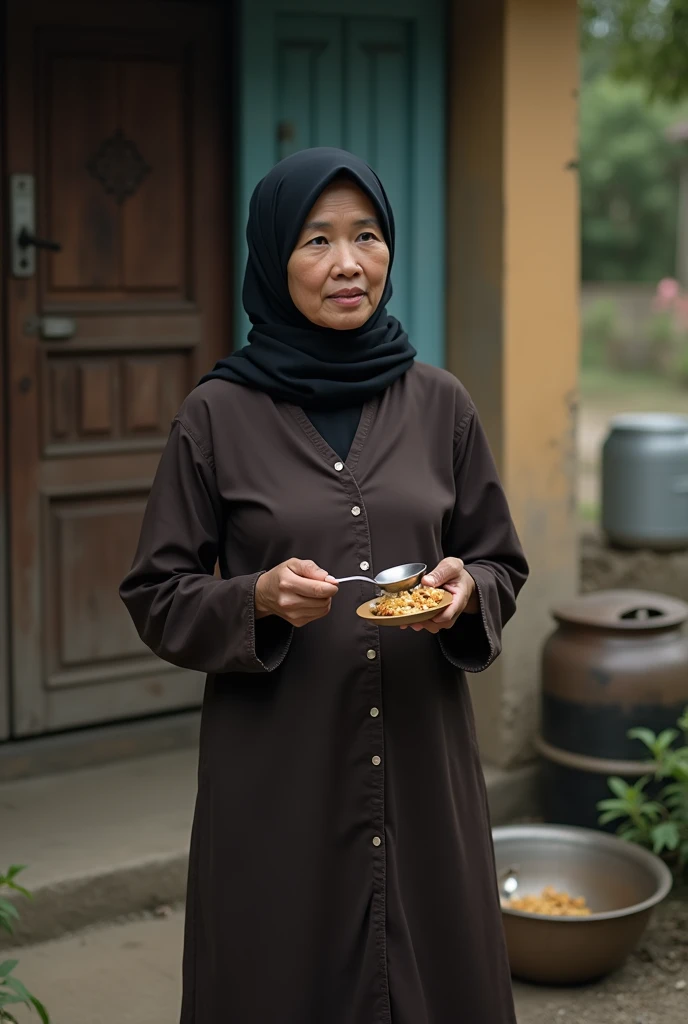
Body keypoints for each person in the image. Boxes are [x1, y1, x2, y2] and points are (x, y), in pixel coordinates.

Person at [120, 147, 529, 1024]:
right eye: (316, 239)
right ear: (273, 257)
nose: (348, 263)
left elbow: (499, 558)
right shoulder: (216, 417)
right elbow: (157, 593)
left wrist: (467, 591)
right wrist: (255, 600)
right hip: (277, 774)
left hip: (424, 765)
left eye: (367, 236)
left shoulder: (440, 403)